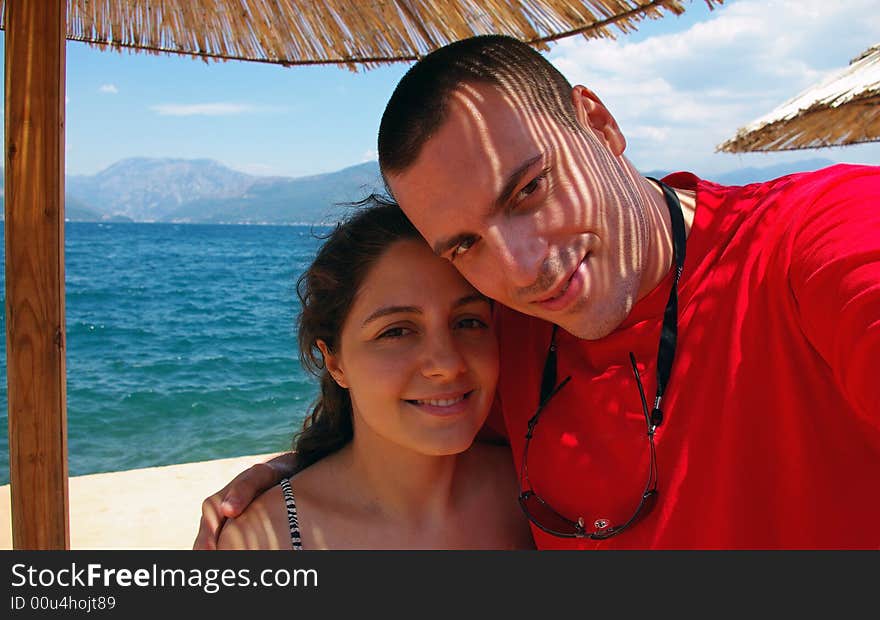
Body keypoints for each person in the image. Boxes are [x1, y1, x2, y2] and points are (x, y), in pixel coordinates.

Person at [197, 35, 880, 550]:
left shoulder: (813, 237)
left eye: (529, 189)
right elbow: (410, 423)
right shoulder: (507, 335)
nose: (524, 267)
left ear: (599, 125)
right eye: (465, 245)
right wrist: (292, 485)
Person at [216, 199, 533, 550]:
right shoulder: (268, 540)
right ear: (334, 362)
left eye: (468, 322)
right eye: (397, 331)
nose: (447, 362)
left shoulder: (539, 492)